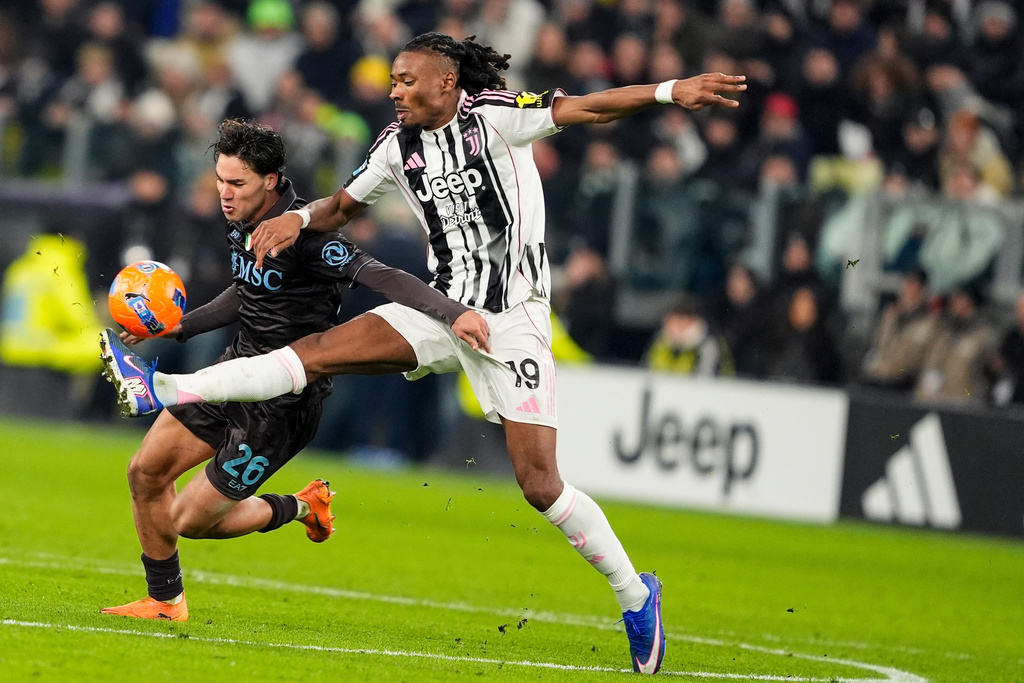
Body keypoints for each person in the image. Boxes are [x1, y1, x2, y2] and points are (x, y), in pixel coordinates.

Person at [101, 32, 746, 673]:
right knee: (318, 351)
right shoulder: (394, 147)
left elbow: (587, 108)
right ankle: (167, 387)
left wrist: (669, 91)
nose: (394, 91)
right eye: (391, 80)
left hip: (511, 321)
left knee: (539, 484)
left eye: (407, 80)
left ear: (447, 83)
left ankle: (636, 596)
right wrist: (300, 219)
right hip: (438, 306)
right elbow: (341, 208)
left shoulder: (495, 117)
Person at [98, 118, 489, 623]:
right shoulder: (240, 215)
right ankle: (165, 602)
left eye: (236, 183)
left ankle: (304, 505)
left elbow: (382, 275)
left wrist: (454, 313)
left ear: (272, 180)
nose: (224, 193)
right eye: (220, 179)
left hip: (282, 406)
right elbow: (246, 288)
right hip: (231, 372)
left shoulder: (308, 233)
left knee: (190, 521)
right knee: (144, 472)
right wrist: (180, 329)